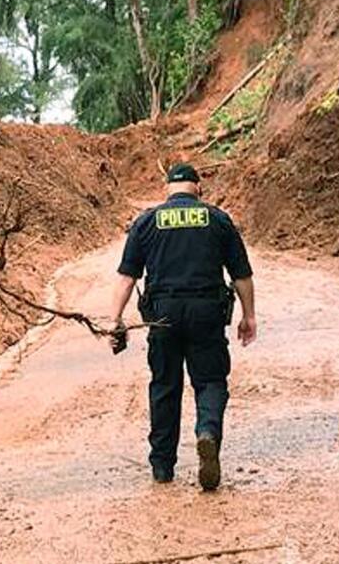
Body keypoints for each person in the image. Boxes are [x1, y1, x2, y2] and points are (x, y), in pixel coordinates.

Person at [107, 163, 257, 490]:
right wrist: (249, 315)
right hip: (207, 313)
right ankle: (207, 432)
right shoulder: (217, 219)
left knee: (164, 386)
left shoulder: (147, 222)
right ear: (198, 188)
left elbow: (126, 277)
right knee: (211, 381)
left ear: (167, 190)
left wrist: (115, 319)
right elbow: (241, 274)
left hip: (162, 315)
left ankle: (162, 466)